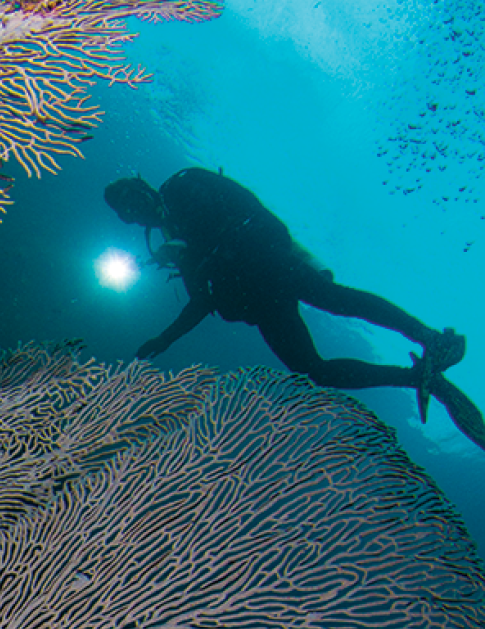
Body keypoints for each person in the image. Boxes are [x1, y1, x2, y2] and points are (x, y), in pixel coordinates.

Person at [103, 169, 484, 449]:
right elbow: (201, 300)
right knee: (311, 369)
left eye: (132, 200)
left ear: (144, 188)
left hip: (268, 262)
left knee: (333, 299)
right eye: (126, 212)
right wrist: (164, 338)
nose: (134, 212)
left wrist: (193, 252)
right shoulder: (171, 242)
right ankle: (417, 379)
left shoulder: (181, 188)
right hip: (260, 301)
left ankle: (430, 337)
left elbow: (233, 218)